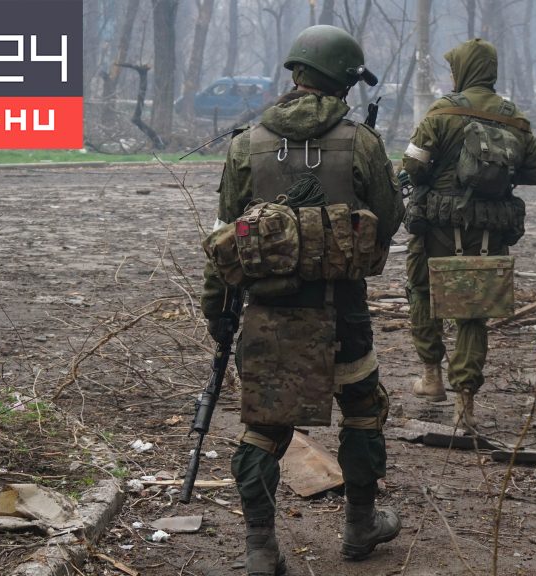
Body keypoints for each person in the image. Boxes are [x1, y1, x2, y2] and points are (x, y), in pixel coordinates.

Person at [200, 24, 404, 575]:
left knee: (263, 427)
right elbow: (390, 220)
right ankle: (360, 526)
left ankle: (260, 548)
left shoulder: (246, 144)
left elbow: (225, 239)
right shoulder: (362, 142)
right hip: (344, 312)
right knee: (363, 413)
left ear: (296, 72)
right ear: (342, 80)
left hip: (268, 315)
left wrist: (218, 313)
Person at [401, 38, 536, 430]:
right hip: (489, 231)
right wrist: (500, 174)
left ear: (463, 70)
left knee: (422, 291)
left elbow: (413, 165)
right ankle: (464, 404)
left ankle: (431, 376)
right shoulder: (512, 116)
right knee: (473, 313)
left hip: (437, 227)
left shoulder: (442, 112)